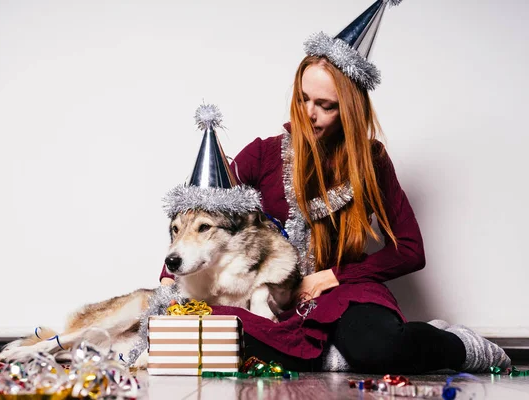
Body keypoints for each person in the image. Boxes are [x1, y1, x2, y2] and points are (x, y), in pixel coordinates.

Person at [161, 0, 511, 373]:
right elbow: (198, 215)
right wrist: (168, 284)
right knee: (216, 332)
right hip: (271, 297)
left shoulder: (371, 161)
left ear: (349, 109)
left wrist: (332, 276)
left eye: (325, 105)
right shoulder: (263, 154)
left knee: (381, 349)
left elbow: (410, 250)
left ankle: (460, 345)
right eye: (303, 98)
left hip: (343, 294)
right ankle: (334, 359)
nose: (308, 113)